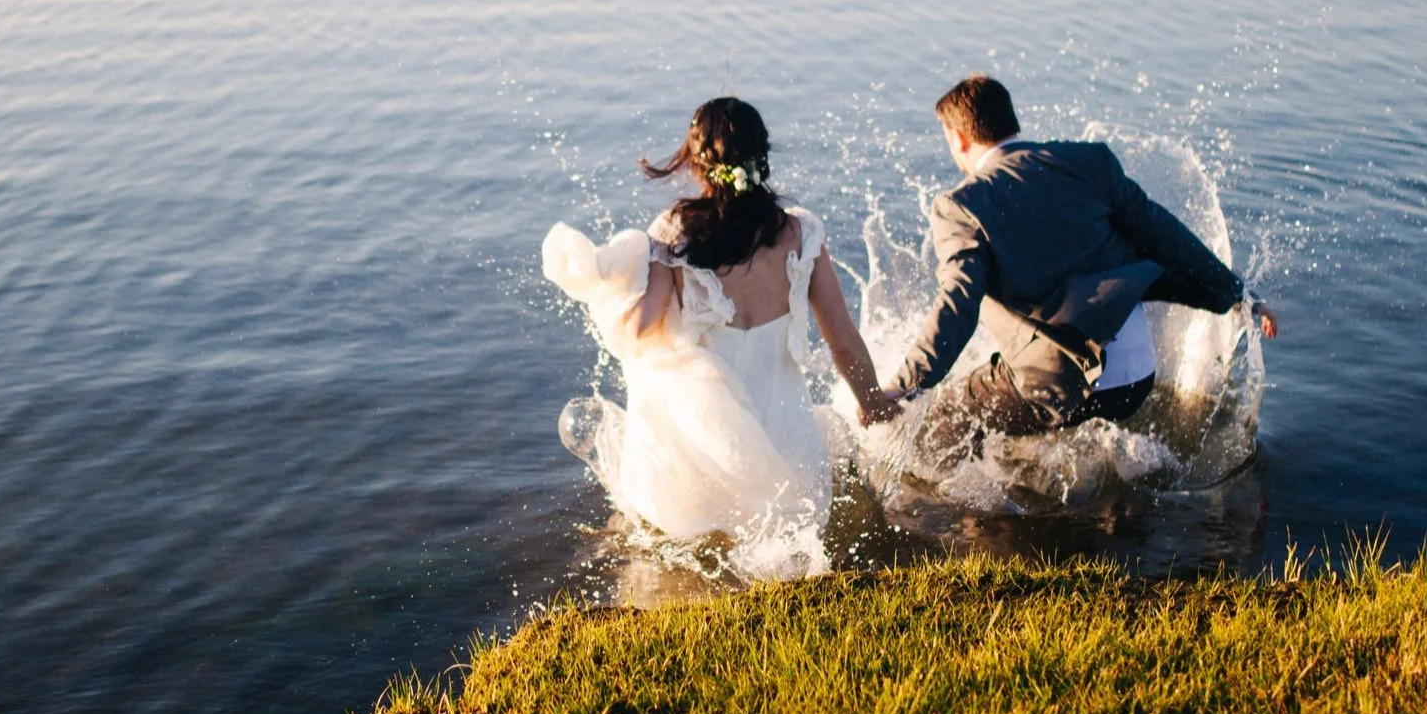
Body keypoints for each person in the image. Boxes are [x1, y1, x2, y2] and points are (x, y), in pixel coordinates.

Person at [860, 75, 1277, 462]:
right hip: (1135, 380)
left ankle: (970, 525)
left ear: (960, 137)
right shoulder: (1089, 162)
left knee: (945, 418)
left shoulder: (962, 206)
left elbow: (958, 301)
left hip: (1061, 386)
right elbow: (1163, 232)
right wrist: (1239, 294)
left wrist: (906, 383)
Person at [543, 98, 888, 539]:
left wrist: (612, 285)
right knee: (789, 533)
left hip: (711, 448)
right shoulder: (802, 234)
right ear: (761, 156)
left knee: (703, 539)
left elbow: (642, 328)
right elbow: (843, 341)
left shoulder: (675, 234)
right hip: (789, 440)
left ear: (697, 164)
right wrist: (872, 401)